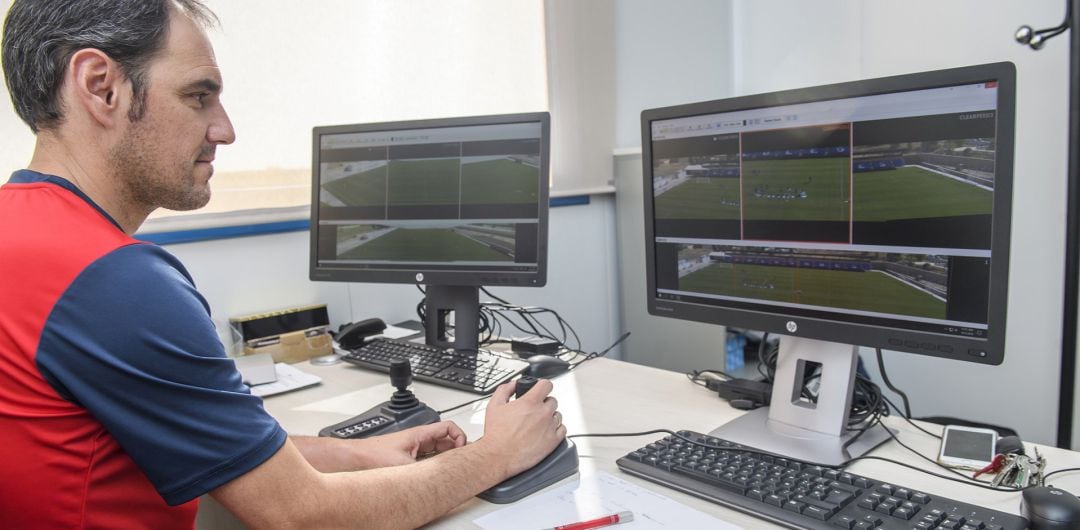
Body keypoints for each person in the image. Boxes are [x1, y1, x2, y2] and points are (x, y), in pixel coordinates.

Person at [0, 1, 565, 528]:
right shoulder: (115, 281)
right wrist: (499, 454)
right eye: (199, 96)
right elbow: (302, 513)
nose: (225, 129)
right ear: (101, 87)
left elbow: (213, 444)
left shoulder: (19, 229)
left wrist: (356, 454)